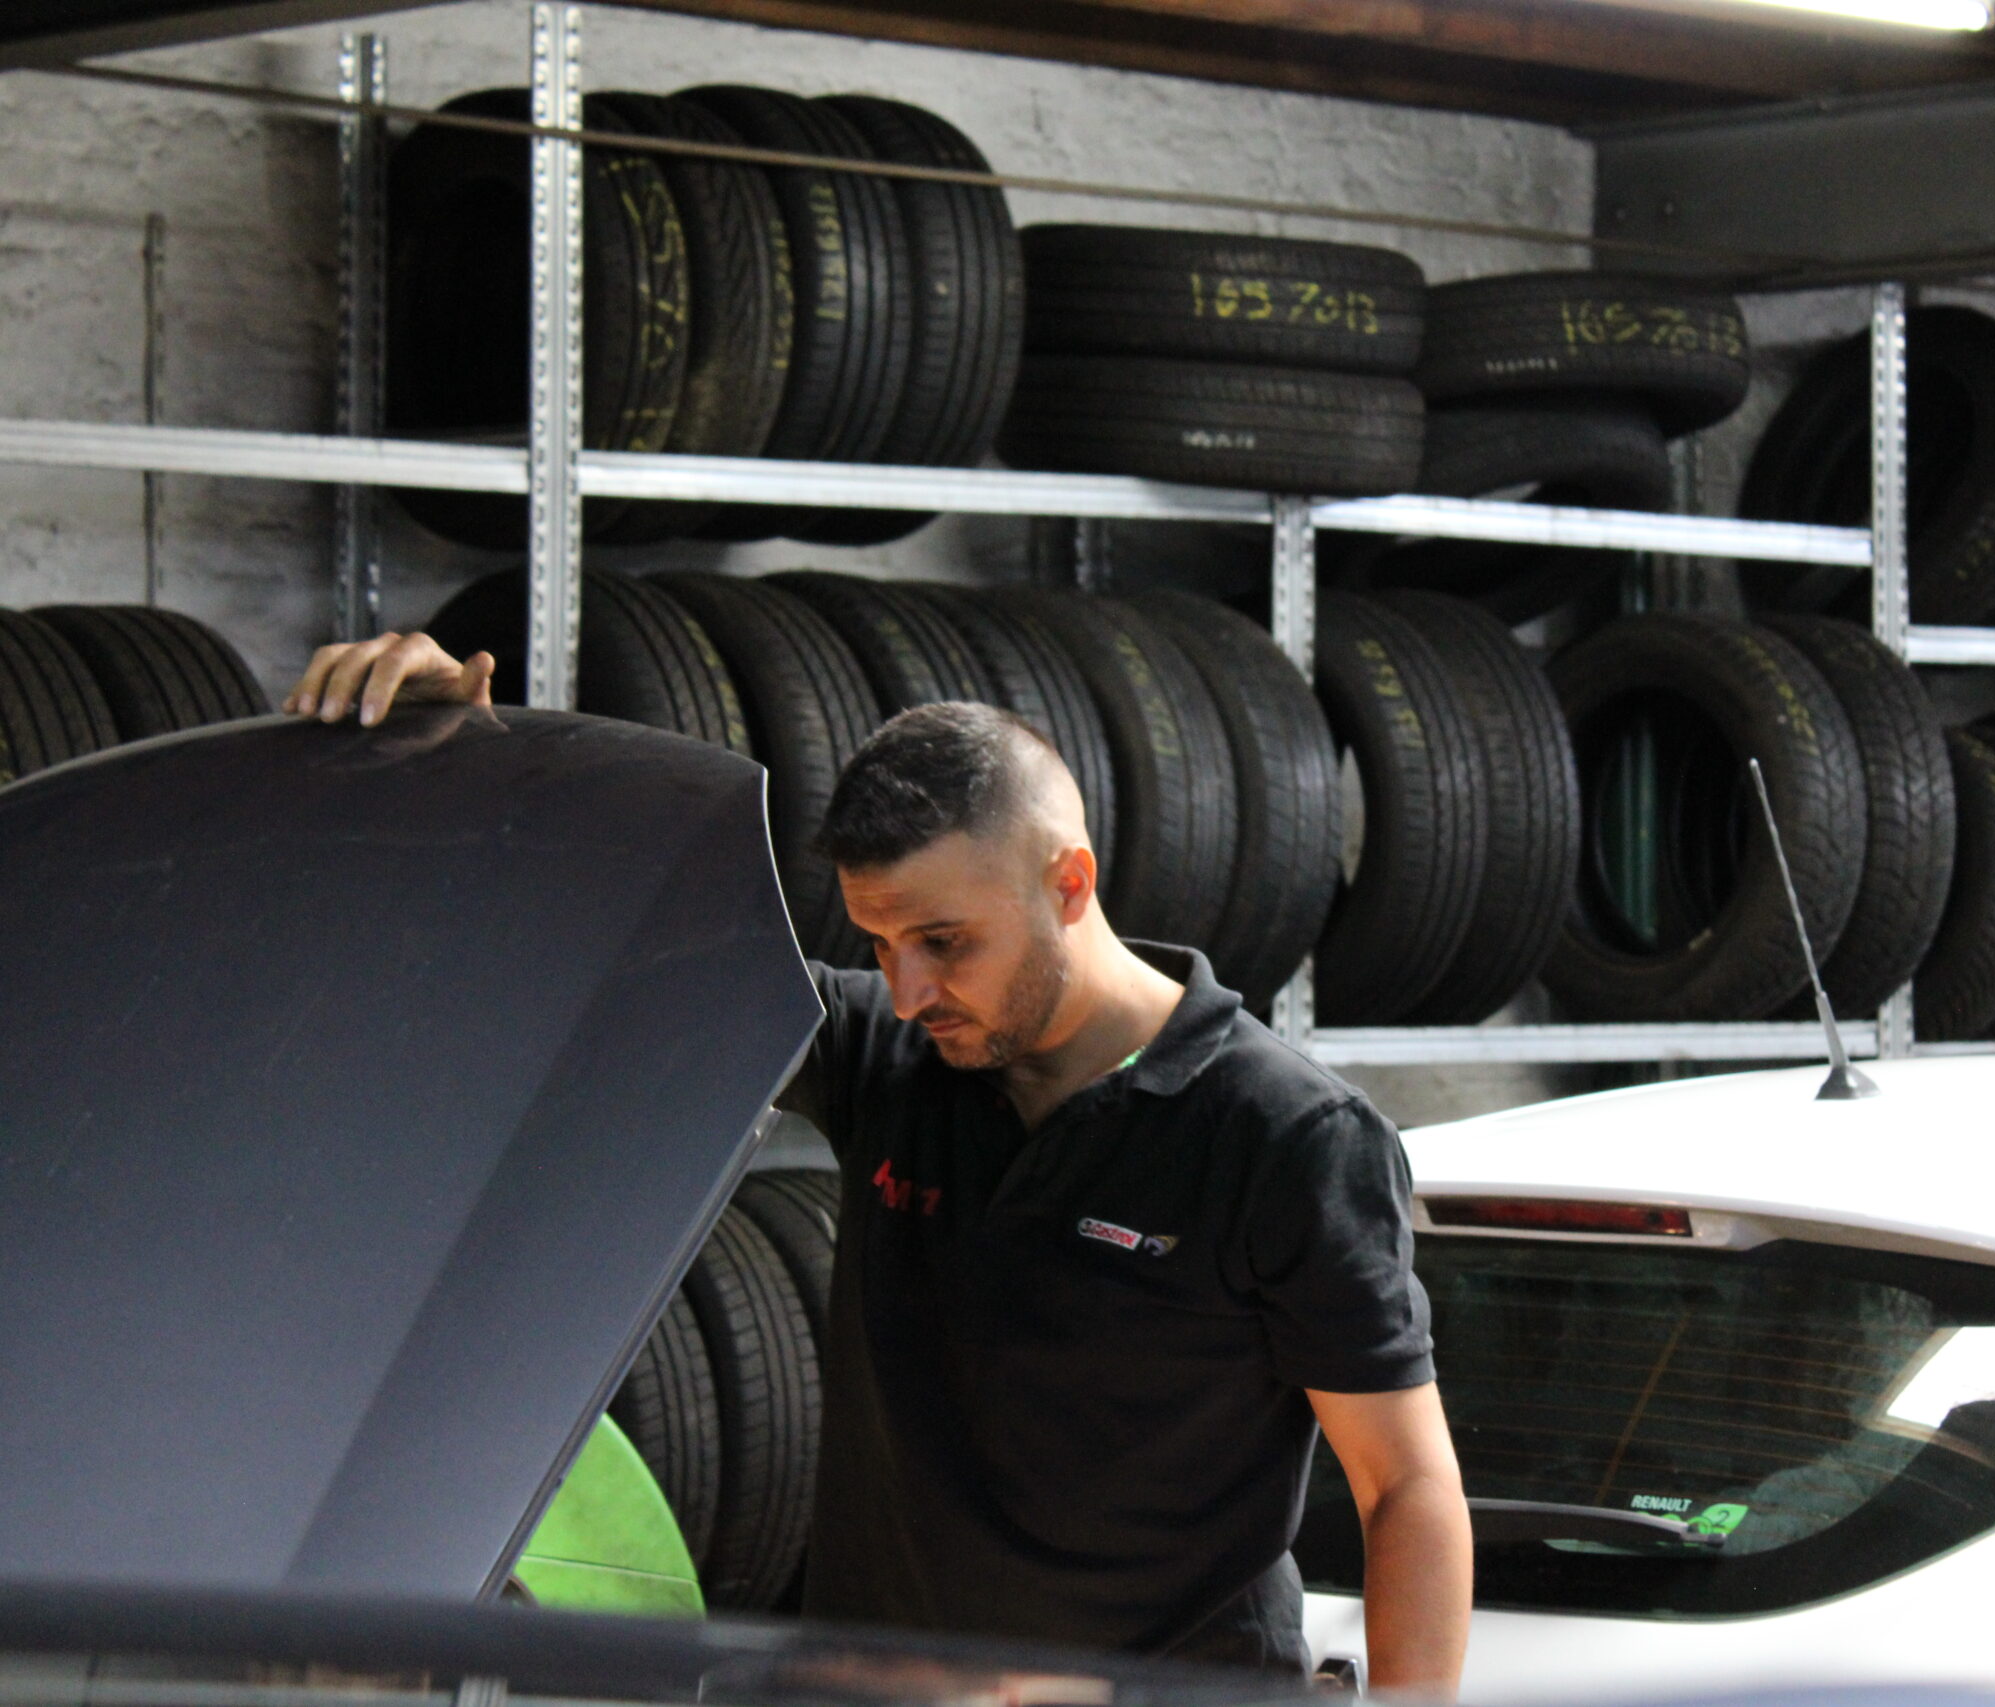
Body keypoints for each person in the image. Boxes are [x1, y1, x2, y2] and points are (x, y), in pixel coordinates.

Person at [286, 632, 1473, 1693]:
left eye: (945, 943)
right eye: (881, 944)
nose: (908, 993)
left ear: (1069, 883)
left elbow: (1407, 1488)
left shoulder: (1285, 1138)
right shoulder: (887, 1059)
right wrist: (468, 752)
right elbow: (607, 948)